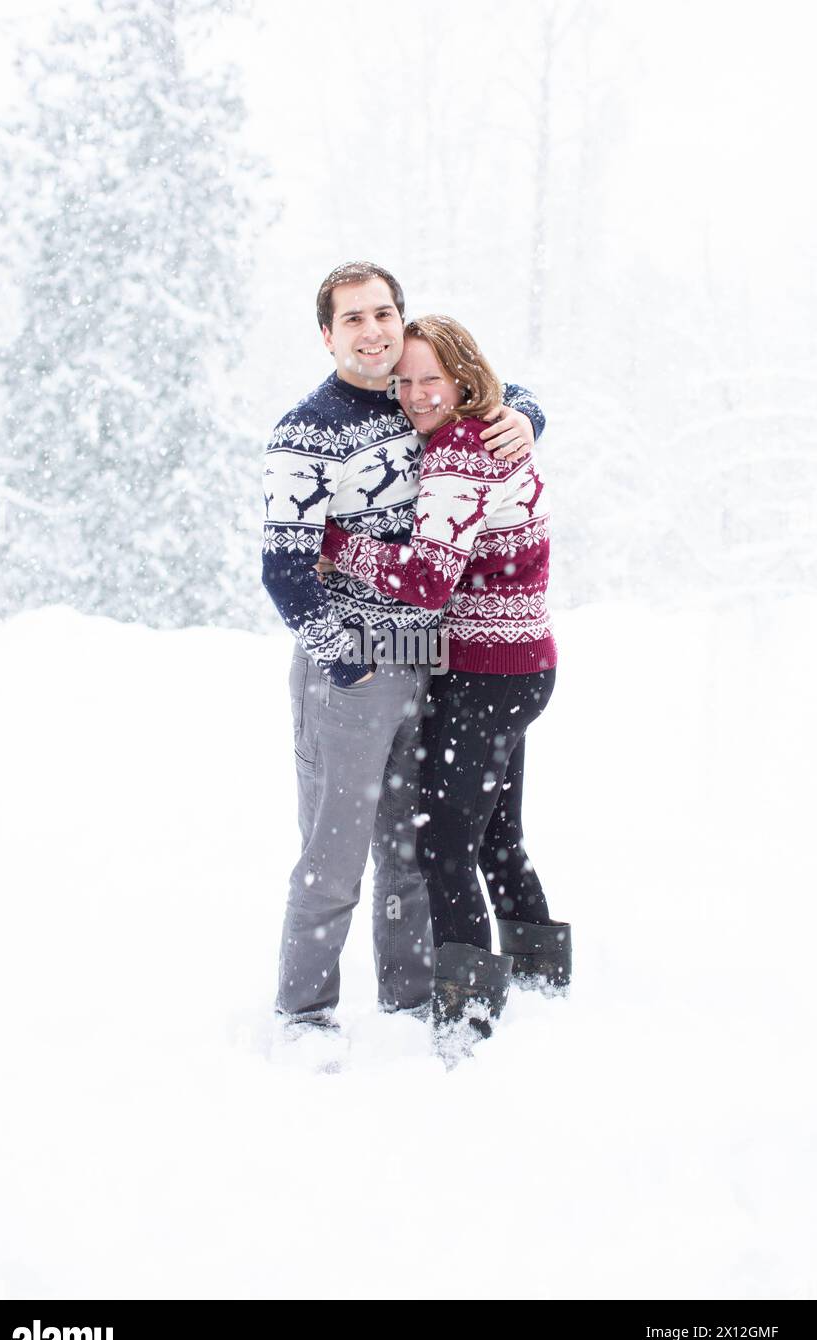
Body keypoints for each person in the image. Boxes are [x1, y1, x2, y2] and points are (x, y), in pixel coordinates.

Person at [261, 264, 546, 1032]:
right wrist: (345, 657)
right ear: (328, 335)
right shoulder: (308, 431)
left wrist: (528, 414)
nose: (373, 330)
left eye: (383, 313)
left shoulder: (406, 397)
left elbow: (483, 396)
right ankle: (306, 1013)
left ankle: (412, 995)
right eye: (352, 319)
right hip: (350, 673)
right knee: (334, 858)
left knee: (411, 851)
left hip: (429, 658)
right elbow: (284, 571)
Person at [318, 314, 570, 1043]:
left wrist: (343, 545)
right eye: (404, 381)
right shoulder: (492, 423)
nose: (417, 394)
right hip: (526, 665)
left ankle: (469, 1018)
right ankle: (543, 979)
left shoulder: (462, 449)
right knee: (497, 838)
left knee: (444, 847)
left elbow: (427, 581)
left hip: (484, 675)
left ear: (463, 376)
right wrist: (524, 411)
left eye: (432, 378)